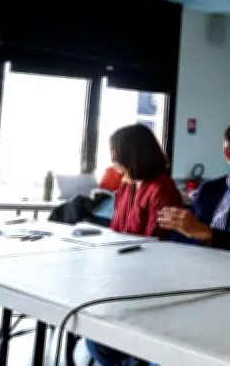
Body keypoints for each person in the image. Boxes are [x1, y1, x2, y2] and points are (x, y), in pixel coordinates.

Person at [87, 124, 182, 366]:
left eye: (116, 153)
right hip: (121, 275)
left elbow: (155, 244)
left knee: (104, 344)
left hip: (148, 282)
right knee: (94, 341)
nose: (113, 160)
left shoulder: (162, 188)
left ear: (133, 154)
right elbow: (116, 230)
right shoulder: (126, 186)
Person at [157, 119, 230, 253]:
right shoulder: (209, 189)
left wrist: (205, 232)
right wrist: (213, 235)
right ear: (229, 153)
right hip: (198, 262)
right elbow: (180, 236)